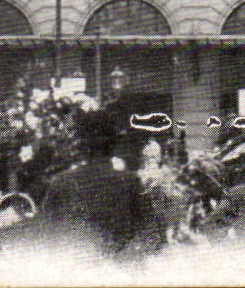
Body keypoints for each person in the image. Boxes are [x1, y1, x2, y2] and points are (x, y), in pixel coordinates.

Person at [39, 108, 164, 257]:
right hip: (119, 270)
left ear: (81, 146)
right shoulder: (130, 182)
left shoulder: (61, 182)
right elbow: (150, 238)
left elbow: (46, 238)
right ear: (113, 143)